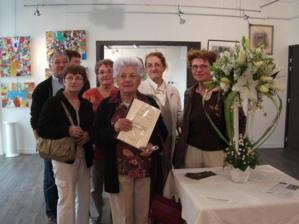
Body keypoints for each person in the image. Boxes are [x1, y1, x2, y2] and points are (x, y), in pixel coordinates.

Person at [93, 57, 167, 224]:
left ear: (139, 79)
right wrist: (114, 129)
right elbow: (96, 136)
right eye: (123, 76)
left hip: (145, 171)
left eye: (132, 75)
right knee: (122, 219)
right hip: (118, 172)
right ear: (116, 80)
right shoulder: (107, 105)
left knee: (143, 217)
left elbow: (163, 135)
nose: (127, 80)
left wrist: (153, 147)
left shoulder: (150, 102)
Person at [37, 65, 94, 224]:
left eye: (78, 78)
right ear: (64, 80)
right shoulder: (53, 102)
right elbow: (42, 128)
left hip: (84, 155)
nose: (74, 81)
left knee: (84, 196)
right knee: (66, 196)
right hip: (63, 157)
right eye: (70, 77)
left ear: (84, 82)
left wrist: (88, 135)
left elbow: (92, 126)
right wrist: (67, 130)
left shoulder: (86, 104)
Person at [30, 51, 69, 224]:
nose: (61, 65)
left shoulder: (80, 84)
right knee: (51, 179)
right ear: (50, 65)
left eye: (64, 62)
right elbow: (34, 117)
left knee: (72, 179)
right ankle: (53, 213)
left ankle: (71, 211)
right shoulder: (42, 88)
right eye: (56, 62)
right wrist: (39, 140)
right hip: (51, 142)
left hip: (74, 140)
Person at [174, 49, 229, 169]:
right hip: (192, 151)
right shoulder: (189, 93)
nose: (198, 70)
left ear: (213, 68)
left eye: (203, 66)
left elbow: (238, 123)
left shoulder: (224, 93)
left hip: (216, 151)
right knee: (192, 186)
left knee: (216, 186)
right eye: (194, 67)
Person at [138, 51, 182, 197]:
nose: (153, 68)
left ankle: (164, 211)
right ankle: (150, 213)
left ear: (164, 67)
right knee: (150, 178)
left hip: (168, 142)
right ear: (145, 68)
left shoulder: (173, 91)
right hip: (149, 143)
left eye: (157, 65)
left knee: (165, 177)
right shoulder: (140, 90)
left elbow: (178, 117)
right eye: (149, 65)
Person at [82, 59, 118, 224]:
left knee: (115, 186)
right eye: (101, 72)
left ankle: (114, 216)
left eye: (109, 71)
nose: (105, 75)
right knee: (96, 186)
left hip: (116, 149)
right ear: (97, 75)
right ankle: (96, 216)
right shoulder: (88, 95)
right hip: (95, 148)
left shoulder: (119, 93)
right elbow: (83, 121)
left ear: (114, 73)